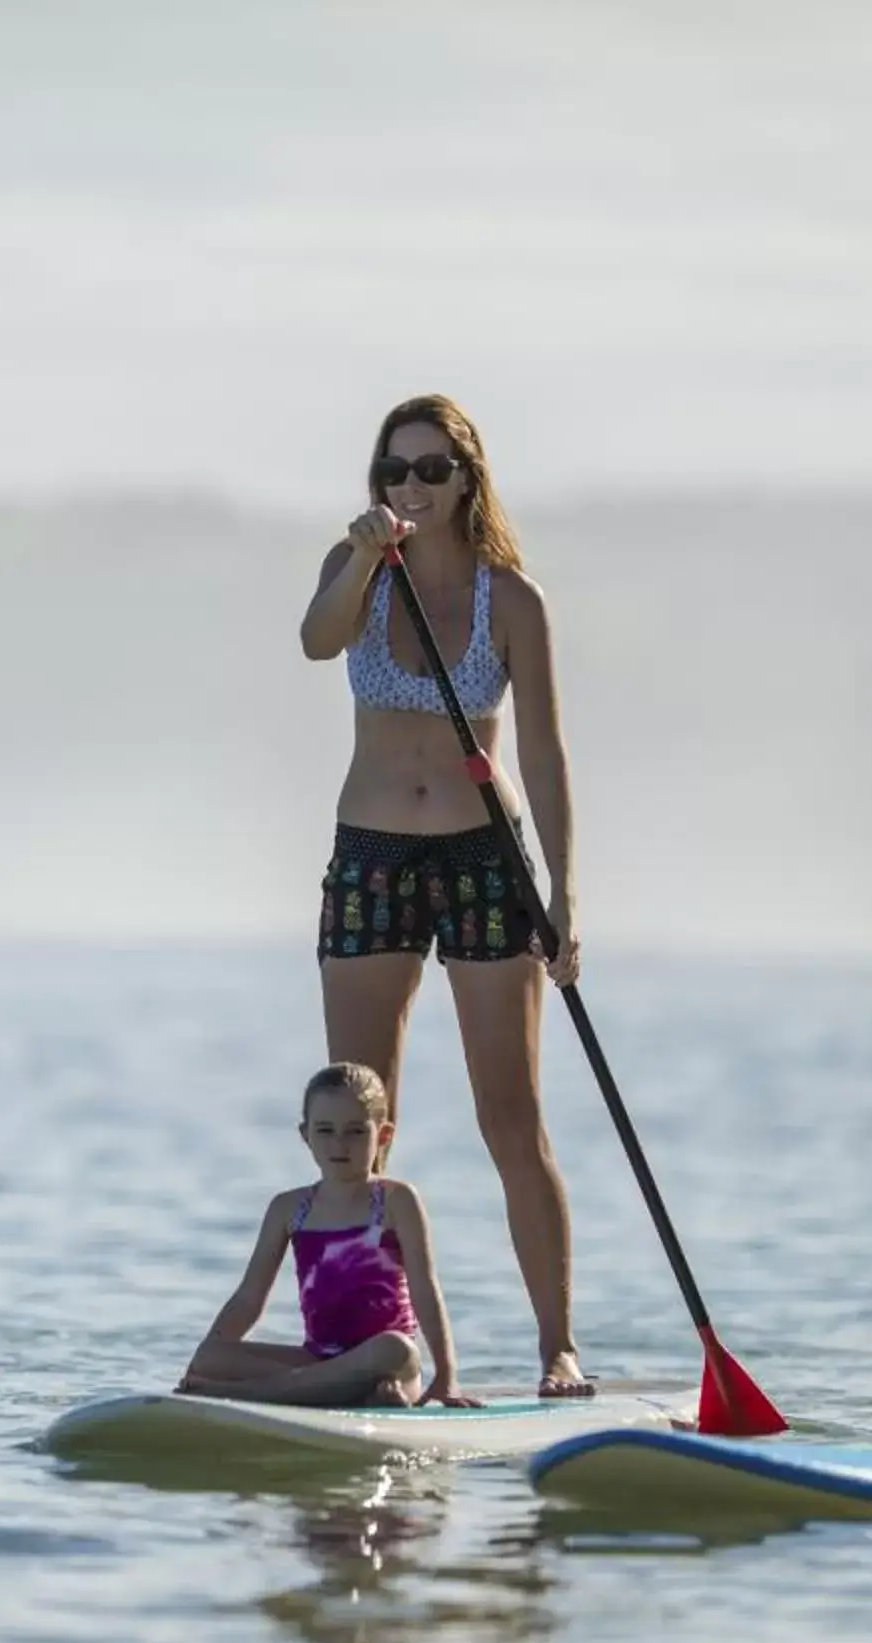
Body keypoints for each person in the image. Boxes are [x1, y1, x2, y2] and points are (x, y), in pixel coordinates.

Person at [297, 393, 590, 1398]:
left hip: (483, 860)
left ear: (468, 479)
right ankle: (362, 1349)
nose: (410, 488)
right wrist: (365, 554)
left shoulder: (515, 601)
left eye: (430, 471)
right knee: (360, 1123)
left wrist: (565, 900)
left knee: (512, 1116)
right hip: (373, 855)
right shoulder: (356, 571)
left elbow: (544, 757)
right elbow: (315, 641)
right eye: (393, 471)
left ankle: (557, 1348)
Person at [179, 1063, 473, 1407]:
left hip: (384, 1366)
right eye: (325, 1130)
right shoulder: (289, 1208)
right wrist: (204, 1365)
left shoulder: (397, 1201)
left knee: (396, 1347)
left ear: (383, 1134)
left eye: (355, 1132)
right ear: (306, 1135)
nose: (339, 1144)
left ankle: (247, 1396)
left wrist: (446, 1376)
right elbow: (248, 1299)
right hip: (318, 1361)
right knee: (211, 1353)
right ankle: (338, 1392)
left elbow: (425, 1289)